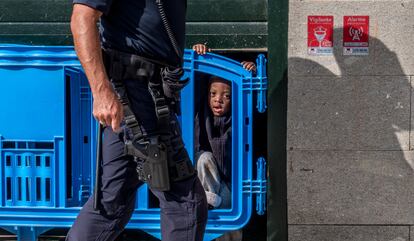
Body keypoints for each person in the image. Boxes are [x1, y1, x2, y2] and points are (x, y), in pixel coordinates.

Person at [67, 1, 207, 241]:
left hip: (141, 93)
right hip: (138, 93)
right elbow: (82, 19)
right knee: (184, 199)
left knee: (112, 200)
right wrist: (101, 92)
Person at [192, 44, 256, 241]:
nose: (218, 100)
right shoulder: (201, 111)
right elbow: (198, 80)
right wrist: (203, 54)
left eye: (226, 96)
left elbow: (252, 99)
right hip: (205, 189)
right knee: (204, 158)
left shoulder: (238, 117)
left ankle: (212, 204)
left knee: (230, 227)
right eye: (213, 94)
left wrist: (249, 73)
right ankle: (209, 202)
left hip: (229, 188)